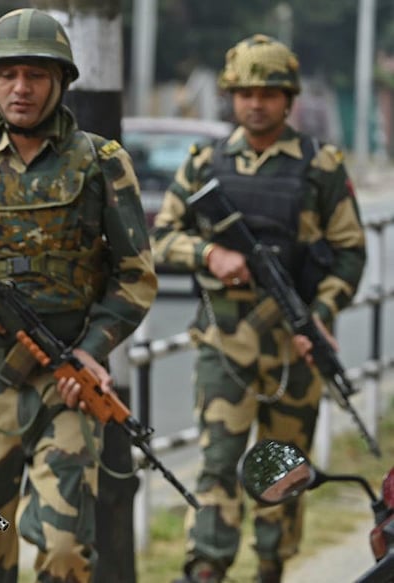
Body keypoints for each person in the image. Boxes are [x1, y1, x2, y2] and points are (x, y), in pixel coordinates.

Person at [0, 8, 157, 582]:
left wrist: (94, 349)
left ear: (61, 81)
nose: (21, 88)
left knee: (68, 549)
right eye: (8, 75)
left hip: (65, 378)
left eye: (36, 75)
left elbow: (135, 274)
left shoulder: (102, 162)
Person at [150, 34, 366, 583]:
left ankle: (272, 564)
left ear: (288, 99)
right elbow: (162, 239)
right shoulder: (206, 163)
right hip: (224, 344)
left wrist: (319, 313)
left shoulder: (320, 165)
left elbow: (350, 251)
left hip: (295, 346)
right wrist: (209, 253)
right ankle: (207, 566)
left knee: (285, 471)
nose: (256, 103)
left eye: (269, 92)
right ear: (231, 97)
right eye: (245, 92)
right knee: (218, 461)